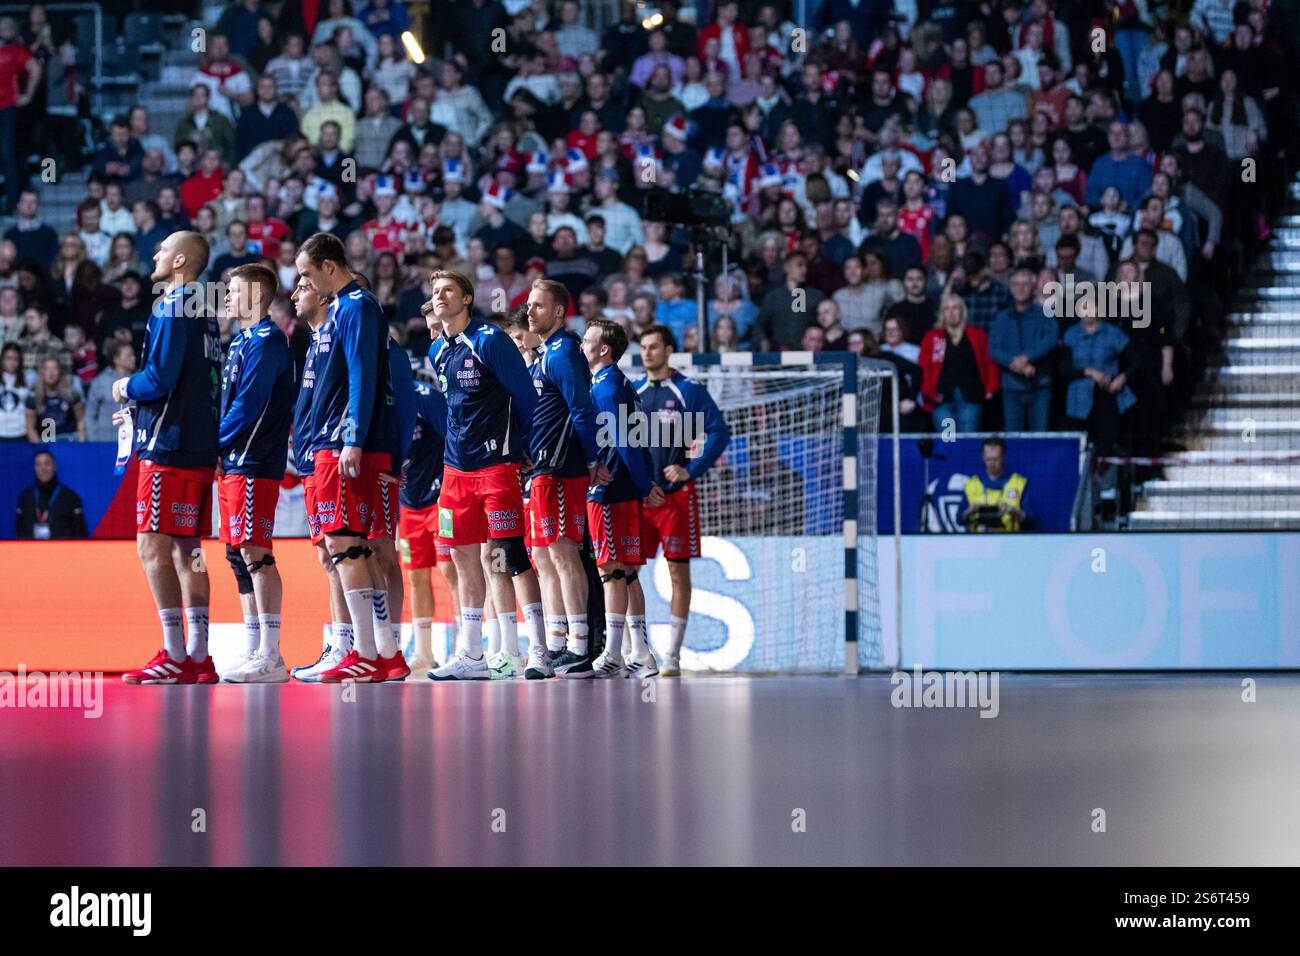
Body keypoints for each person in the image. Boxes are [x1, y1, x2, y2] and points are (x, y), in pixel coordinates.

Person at [293, 233, 403, 683]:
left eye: (305, 274)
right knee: (351, 544)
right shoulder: (346, 309)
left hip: (343, 442)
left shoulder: (355, 307)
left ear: (328, 268)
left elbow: (362, 375)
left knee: (348, 543)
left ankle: (366, 652)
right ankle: (384, 652)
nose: (303, 282)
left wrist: (352, 437)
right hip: (335, 439)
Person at [425, 269, 543, 681]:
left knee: (506, 555)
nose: (439, 297)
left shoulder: (490, 340)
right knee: (461, 557)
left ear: (468, 298)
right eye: (435, 292)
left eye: (447, 291)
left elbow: (526, 397)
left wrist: (526, 448)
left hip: (496, 466)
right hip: (455, 470)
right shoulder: (437, 350)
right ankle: (472, 652)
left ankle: (533, 650)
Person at [116, 231, 221, 685]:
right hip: (199, 446)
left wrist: (124, 387)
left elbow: (158, 379)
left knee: (152, 546)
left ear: (179, 260)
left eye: (161, 249)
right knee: (189, 551)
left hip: (168, 444)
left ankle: (175, 653)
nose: (155, 254)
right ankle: (198, 655)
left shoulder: (173, 303)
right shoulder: (206, 312)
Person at [628, 324, 731, 676]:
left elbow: (720, 431)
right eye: (643, 347)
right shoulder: (633, 390)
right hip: (640, 497)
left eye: (654, 347)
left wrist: (692, 469)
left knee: (678, 572)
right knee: (626, 571)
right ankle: (636, 649)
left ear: (669, 350)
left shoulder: (688, 390)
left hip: (675, 499)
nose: (647, 353)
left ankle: (672, 652)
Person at [522, 278, 608, 678]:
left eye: (539, 305)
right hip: (541, 468)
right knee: (546, 557)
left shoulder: (564, 352)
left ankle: (579, 647)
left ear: (558, 311)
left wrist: (592, 459)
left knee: (563, 553)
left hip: (560, 469)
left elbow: (582, 409)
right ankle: (558, 642)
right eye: (529, 305)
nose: (530, 311)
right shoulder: (544, 354)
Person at [215, 264, 296, 683]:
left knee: (256, 553)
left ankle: (271, 655)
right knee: (238, 554)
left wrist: (212, 443)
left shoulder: (267, 342)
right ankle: (253, 648)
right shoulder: (242, 340)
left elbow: (250, 408)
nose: (226, 296)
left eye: (232, 290)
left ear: (255, 295)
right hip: (234, 461)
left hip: (253, 462)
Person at [583, 319, 663, 677]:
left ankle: (613, 654)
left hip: (609, 489)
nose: (582, 345)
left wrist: (645, 485)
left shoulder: (604, 386)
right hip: (625, 488)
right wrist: (645, 483)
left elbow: (625, 440)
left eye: (587, 340)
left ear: (604, 349)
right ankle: (642, 652)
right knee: (627, 572)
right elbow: (638, 437)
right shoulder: (622, 384)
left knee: (611, 569)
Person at [286, 275, 356, 682]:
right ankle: (341, 643)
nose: (295, 294)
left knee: (345, 550)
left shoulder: (338, 334)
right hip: (311, 457)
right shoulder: (313, 341)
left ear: (325, 294)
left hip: (333, 454)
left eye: (303, 285)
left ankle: (355, 645)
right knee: (327, 556)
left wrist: (351, 439)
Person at [398, 316, 453, 673]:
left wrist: (446, 483)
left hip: (438, 500)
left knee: (452, 571)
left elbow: (454, 439)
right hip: (408, 505)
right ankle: (424, 651)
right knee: (416, 575)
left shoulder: (426, 398)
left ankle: (469, 644)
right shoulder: (383, 404)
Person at [988, 268, 1057, 432]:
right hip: (1012, 387)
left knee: (1040, 435)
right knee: (1013, 437)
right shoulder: (1001, 317)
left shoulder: (1045, 314)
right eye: (1016, 284)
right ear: (1011, 288)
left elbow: (1050, 340)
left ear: (1033, 288)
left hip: (1040, 385)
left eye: (1025, 284)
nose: (1021, 288)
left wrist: (1027, 358)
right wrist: (1014, 364)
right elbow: (994, 349)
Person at [918, 294, 998, 433]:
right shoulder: (932, 336)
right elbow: (924, 367)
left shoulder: (977, 335)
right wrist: (929, 393)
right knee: (948, 441)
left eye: (955, 308)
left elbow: (990, 363)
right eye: (947, 308)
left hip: (971, 396)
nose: (951, 312)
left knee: (966, 442)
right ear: (942, 313)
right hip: (940, 399)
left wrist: (990, 389)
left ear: (962, 311)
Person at [15, 450, 87, 539]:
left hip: (63, 551)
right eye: (39, 465)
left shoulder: (71, 497)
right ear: (34, 468)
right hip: (32, 551)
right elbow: (19, 532)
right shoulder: (25, 497)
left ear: (55, 466)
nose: (43, 468)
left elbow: (80, 533)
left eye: (47, 464)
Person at [962, 436, 1027, 532]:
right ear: (983, 457)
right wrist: (969, 511)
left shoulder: (1018, 483)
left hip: (1010, 540)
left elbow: (1032, 518)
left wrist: (1015, 511)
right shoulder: (971, 484)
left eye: (996, 459)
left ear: (1003, 457)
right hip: (977, 541)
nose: (992, 463)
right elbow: (959, 519)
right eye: (989, 459)